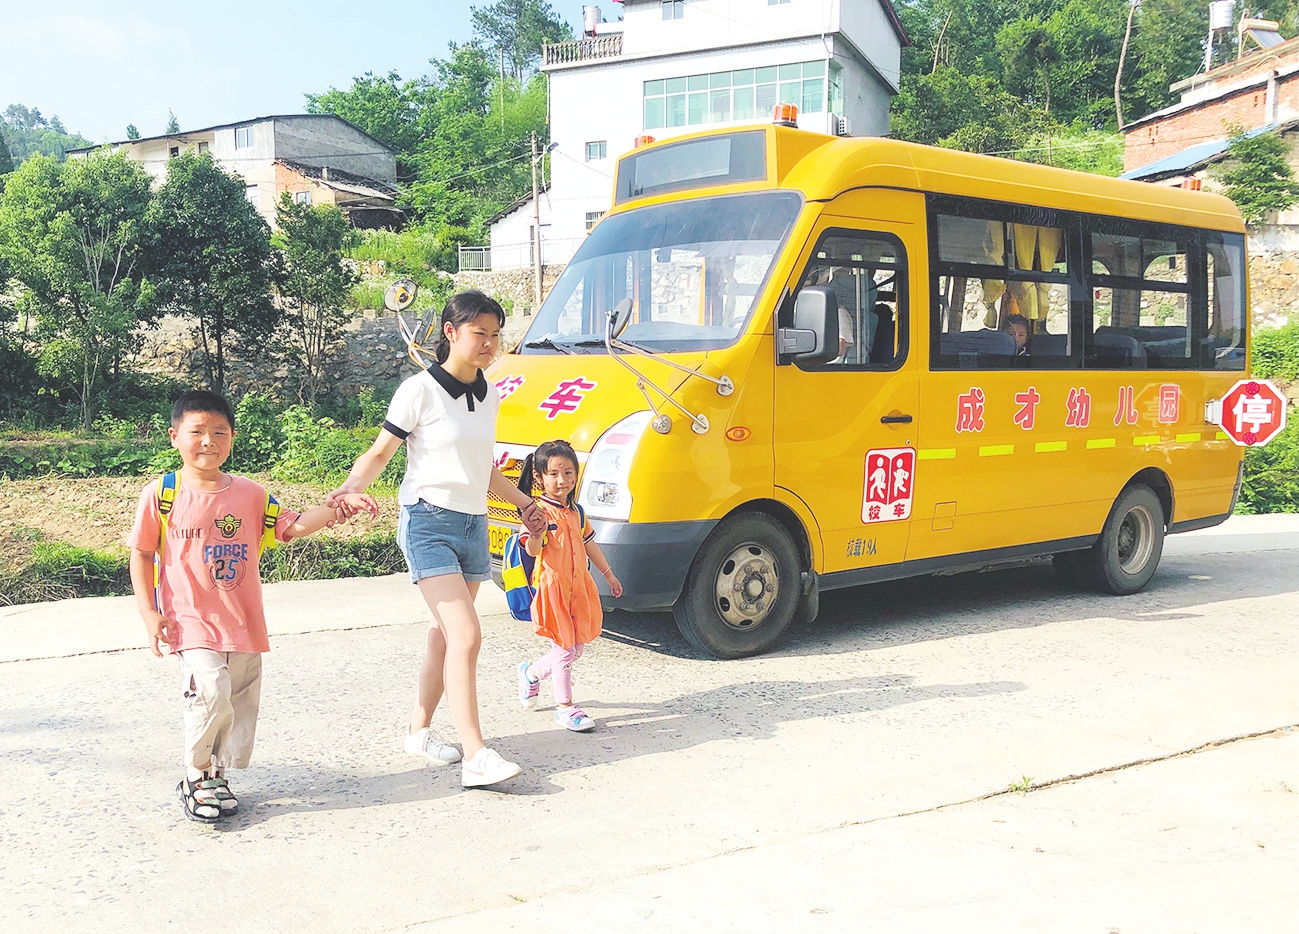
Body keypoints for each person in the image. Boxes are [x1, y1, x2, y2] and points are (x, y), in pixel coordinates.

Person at [328, 291, 545, 788]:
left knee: (446, 635)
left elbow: (481, 467)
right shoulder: (418, 390)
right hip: (427, 522)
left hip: (474, 526)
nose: (489, 343)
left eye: (495, 334)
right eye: (479, 334)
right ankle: (475, 755)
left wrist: (525, 504)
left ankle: (418, 730)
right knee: (467, 634)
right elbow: (381, 452)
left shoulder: (489, 394)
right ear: (451, 332)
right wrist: (351, 487)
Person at [128, 390, 377, 824]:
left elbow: (292, 527)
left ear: (232, 438)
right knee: (209, 690)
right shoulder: (161, 493)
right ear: (174, 437)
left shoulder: (251, 493)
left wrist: (338, 509)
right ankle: (195, 774)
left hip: (242, 619)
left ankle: (217, 775)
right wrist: (149, 613)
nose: (208, 440)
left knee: (238, 701)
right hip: (190, 618)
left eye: (219, 432)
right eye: (197, 431)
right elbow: (142, 553)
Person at [514, 440, 622, 732]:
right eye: (553, 473)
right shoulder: (536, 513)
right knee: (563, 650)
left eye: (569, 473)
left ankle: (532, 673)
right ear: (539, 477)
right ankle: (565, 708)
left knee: (576, 649)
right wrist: (536, 533)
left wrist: (608, 574)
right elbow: (533, 551)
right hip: (553, 589)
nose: (562, 480)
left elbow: (589, 545)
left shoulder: (578, 512)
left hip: (579, 588)